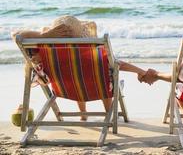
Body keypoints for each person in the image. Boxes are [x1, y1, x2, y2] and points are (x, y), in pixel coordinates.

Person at [12, 15, 148, 121]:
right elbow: (118, 63)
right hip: (97, 88)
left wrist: (44, 36)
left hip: (66, 89)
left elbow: (17, 35)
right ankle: (109, 113)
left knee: (74, 76)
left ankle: (83, 115)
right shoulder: (90, 51)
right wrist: (140, 71)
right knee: (103, 75)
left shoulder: (45, 52)